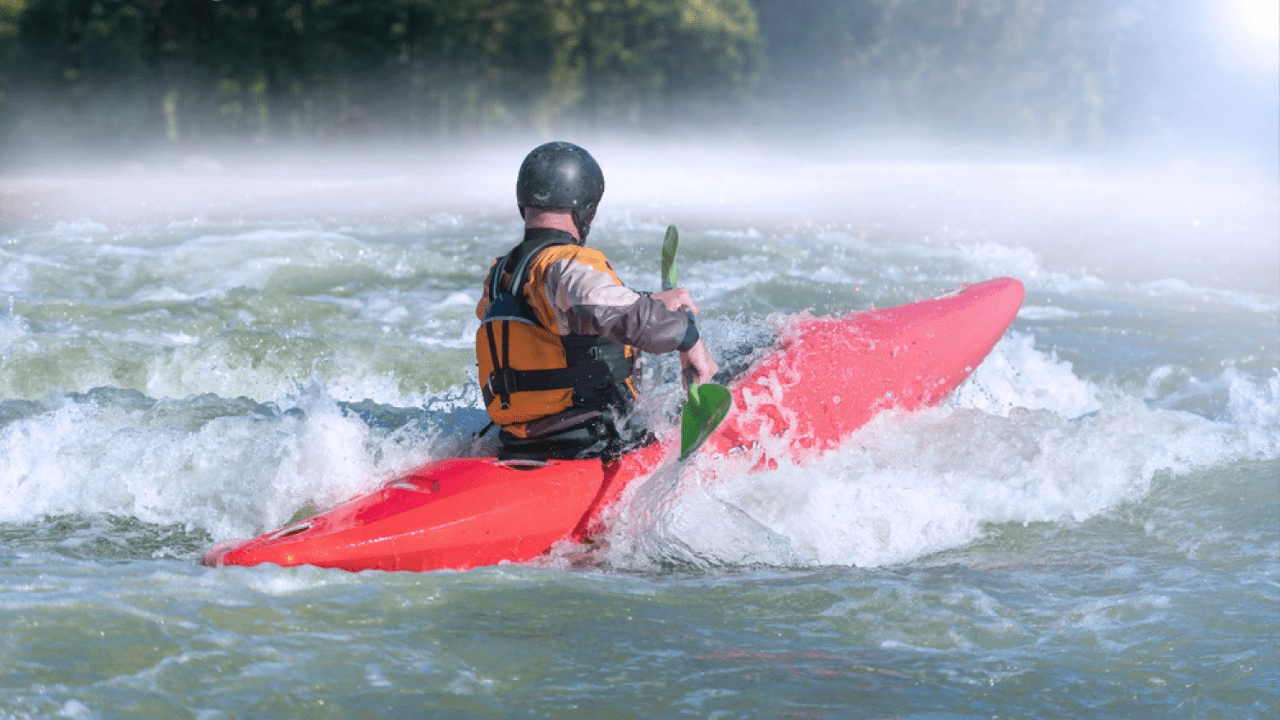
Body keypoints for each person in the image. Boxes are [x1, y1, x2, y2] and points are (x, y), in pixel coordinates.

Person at [475, 141, 718, 461]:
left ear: (524, 205)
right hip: (590, 442)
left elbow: (564, 312)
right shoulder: (567, 264)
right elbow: (605, 307)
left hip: (520, 439)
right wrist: (688, 335)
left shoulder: (502, 273)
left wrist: (651, 300)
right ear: (586, 210)